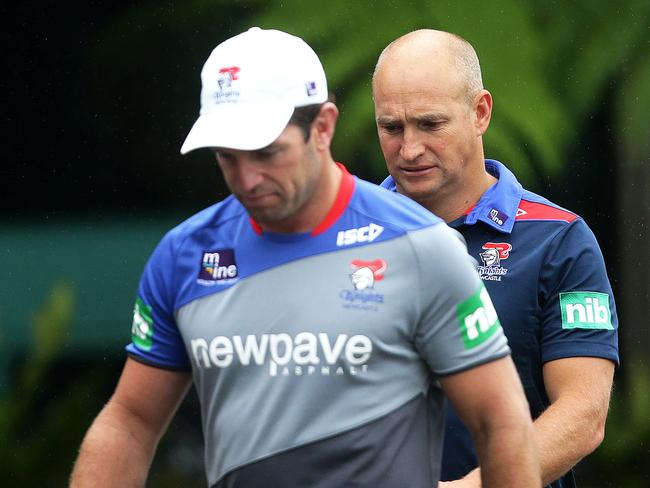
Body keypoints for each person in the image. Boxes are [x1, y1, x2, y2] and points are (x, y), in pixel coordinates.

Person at [69, 27, 540, 488]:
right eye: (227, 158)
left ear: (323, 127)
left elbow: (499, 423)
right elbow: (129, 422)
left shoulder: (422, 247)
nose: (247, 178)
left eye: (268, 153)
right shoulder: (185, 255)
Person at [372, 29, 619, 488]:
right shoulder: (345, 236)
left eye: (430, 124)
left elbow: (583, 414)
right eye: (392, 127)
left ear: (480, 112)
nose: (409, 149)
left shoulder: (557, 239)